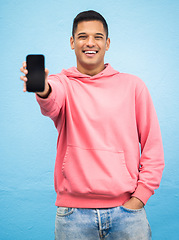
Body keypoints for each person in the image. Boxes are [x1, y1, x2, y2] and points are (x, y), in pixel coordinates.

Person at [20, 10, 164, 240]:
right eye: (82, 36)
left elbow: (153, 148)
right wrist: (42, 89)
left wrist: (139, 198)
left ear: (107, 43)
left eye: (97, 37)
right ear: (72, 42)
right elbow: (51, 102)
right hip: (73, 216)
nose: (90, 43)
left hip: (128, 214)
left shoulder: (133, 86)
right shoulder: (62, 83)